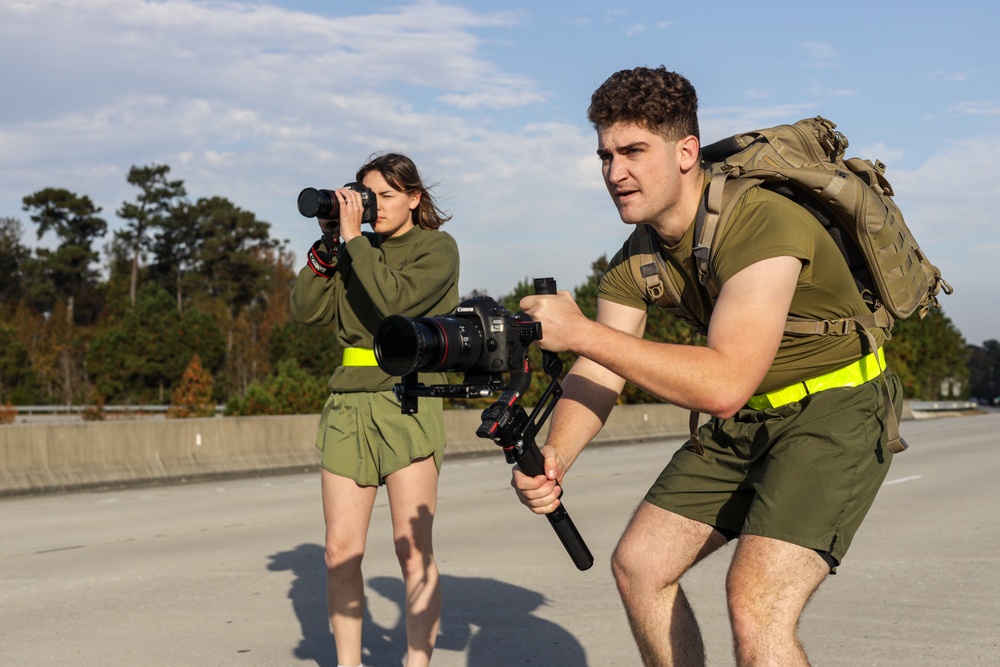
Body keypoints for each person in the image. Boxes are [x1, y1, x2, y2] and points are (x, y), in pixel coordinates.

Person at [512, 66, 902, 667]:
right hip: (750, 418)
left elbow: (722, 384)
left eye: (635, 151)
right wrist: (557, 454)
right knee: (640, 566)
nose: (616, 173)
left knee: (756, 605)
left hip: (835, 410)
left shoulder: (762, 222)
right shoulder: (634, 261)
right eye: (606, 156)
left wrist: (581, 330)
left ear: (687, 151)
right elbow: (599, 371)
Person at [290, 153, 459, 667]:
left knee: (412, 552)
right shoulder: (352, 250)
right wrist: (328, 245)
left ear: (415, 198)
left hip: (408, 398)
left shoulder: (437, 248)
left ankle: (416, 663)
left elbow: (392, 304)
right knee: (339, 551)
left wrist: (356, 243)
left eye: (386, 196)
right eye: (367, 196)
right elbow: (306, 310)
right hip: (348, 403)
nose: (374, 206)